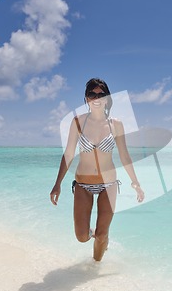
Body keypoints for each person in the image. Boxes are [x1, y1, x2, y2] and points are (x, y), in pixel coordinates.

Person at [50, 78, 144, 261]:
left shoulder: (115, 125)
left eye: (101, 94)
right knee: (82, 236)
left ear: (107, 99)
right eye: (92, 94)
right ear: (86, 98)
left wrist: (136, 183)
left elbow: (124, 156)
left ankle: (95, 268)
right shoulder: (78, 123)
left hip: (108, 184)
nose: (96, 98)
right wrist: (57, 184)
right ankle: (95, 234)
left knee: (102, 235)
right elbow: (68, 154)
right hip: (83, 184)